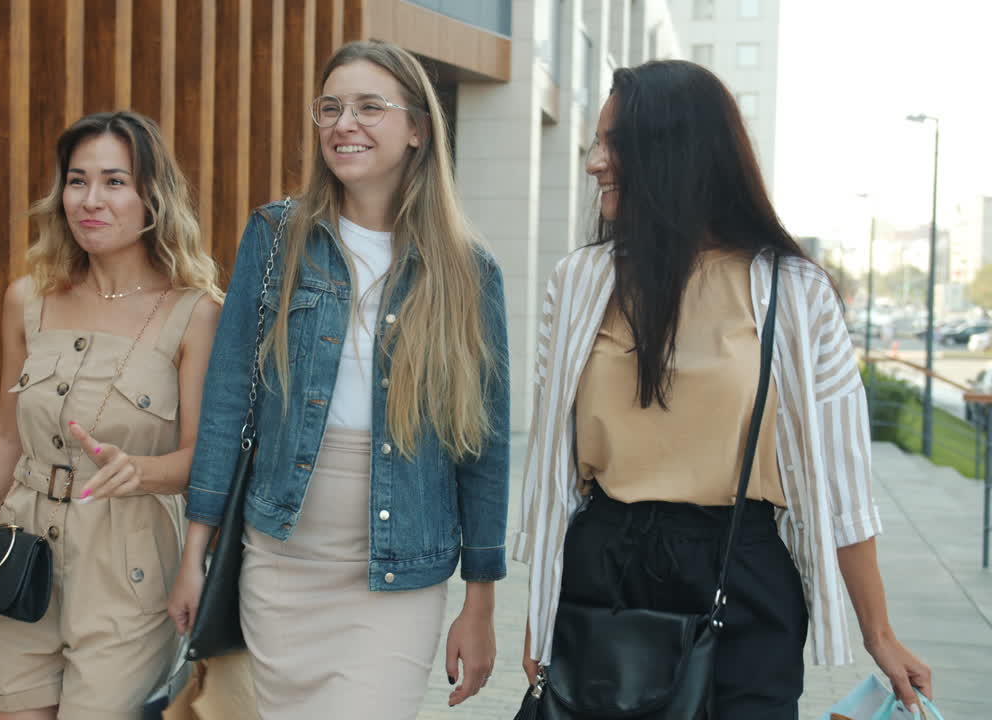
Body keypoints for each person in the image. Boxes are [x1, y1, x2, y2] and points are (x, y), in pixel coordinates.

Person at [517, 60, 933, 718]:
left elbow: (843, 479)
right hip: (607, 565)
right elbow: (549, 468)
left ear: (675, 150)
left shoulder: (794, 294)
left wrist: (878, 633)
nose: (594, 162)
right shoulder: (578, 284)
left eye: (613, 143)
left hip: (743, 572)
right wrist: (540, 612)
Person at [167, 40, 511, 719]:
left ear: (417, 128)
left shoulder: (469, 271)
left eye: (368, 107)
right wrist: (195, 553)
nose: (343, 123)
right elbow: (228, 400)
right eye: (331, 108)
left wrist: (481, 601)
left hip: (399, 573)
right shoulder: (276, 236)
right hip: (282, 561)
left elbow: (486, 446)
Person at [0, 110, 222, 719]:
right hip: (19, 553)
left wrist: (145, 473)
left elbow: (202, 459)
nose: (89, 201)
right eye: (77, 181)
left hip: (127, 563)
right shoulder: (28, 299)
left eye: (113, 181)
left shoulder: (196, 313)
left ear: (152, 198)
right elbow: (5, 436)